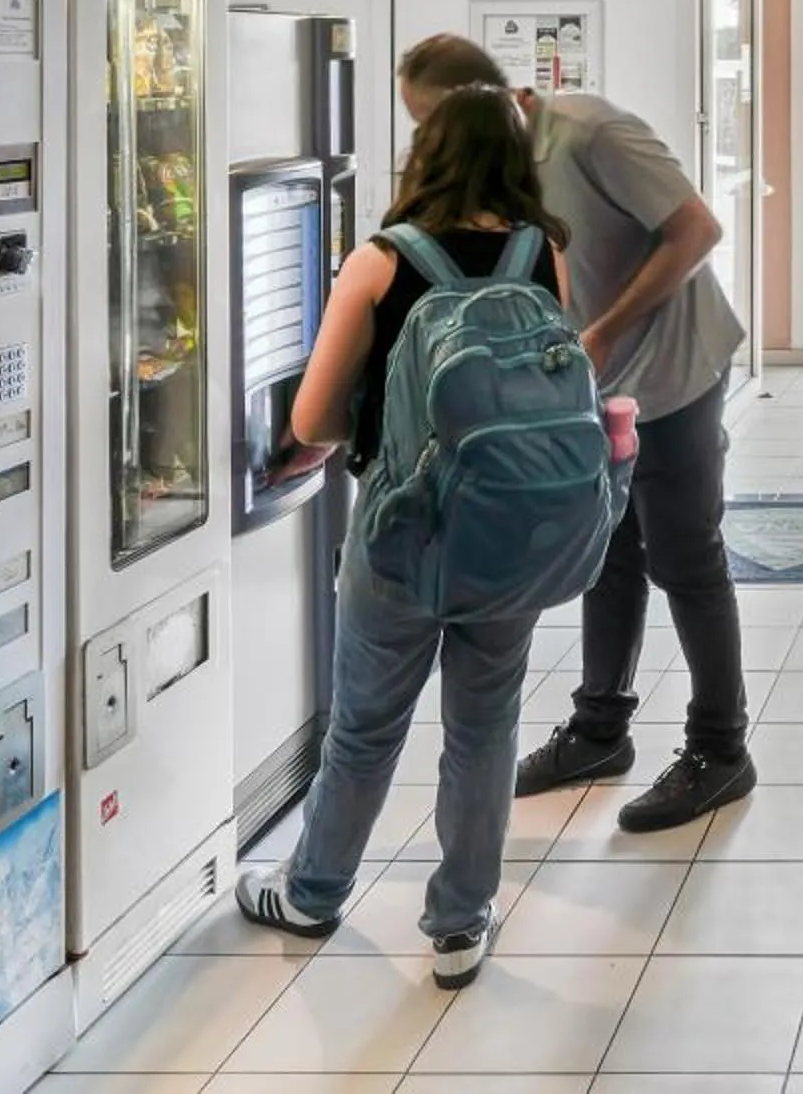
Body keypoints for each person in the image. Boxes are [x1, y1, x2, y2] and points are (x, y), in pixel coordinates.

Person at [233, 85, 571, 988]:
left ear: (427, 154)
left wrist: (386, 425)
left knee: (365, 729)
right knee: (485, 730)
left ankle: (312, 893)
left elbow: (311, 419)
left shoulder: (382, 263)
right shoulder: (543, 253)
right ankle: (461, 924)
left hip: (401, 537)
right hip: (509, 531)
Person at [397, 36, 755, 832]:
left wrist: (605, 332)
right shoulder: (497, 167)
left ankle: (721, 750)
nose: (425, 140)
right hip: (592, 379)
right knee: (606, 552)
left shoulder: (590, 131)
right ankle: (600, 732)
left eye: (427, 121)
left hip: (674, 369)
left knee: (684, 555)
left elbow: (697, 230)